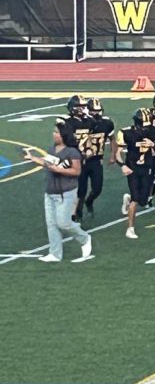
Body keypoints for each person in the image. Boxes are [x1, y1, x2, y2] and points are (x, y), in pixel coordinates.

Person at [25, 126, 93, 263]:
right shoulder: (52, 149)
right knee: (51, 224)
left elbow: (76, 171)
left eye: (57, 132)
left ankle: (84, 238)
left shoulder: (72, 152)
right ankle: (55, 254)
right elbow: (48, 163)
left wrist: (59, 170)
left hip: (65, 192)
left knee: (63, 222)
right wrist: (32, 158)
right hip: (50, 191)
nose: (54, 134)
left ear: (63, 135)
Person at [114, 108, 155, 240]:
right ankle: (130, 228)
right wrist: (122, 165)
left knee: (143, 200)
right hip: (132, 168)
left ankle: (128, 199)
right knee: (136, 199)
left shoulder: (154, 132)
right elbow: (117, 153)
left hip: (148, 167)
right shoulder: (126, 133)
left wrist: (153, 145)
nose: (146, 129)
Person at [74, 97, 115, 222]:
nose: (96, 113)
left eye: (98, 110)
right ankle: (78, 214)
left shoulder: (107, 123)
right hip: (82, 161)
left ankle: (89, 201)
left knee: (97, 189)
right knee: (81, 190)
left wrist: (113, 154)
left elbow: (112, 139)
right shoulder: (82, 123)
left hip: (97, 160)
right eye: (93, 111)